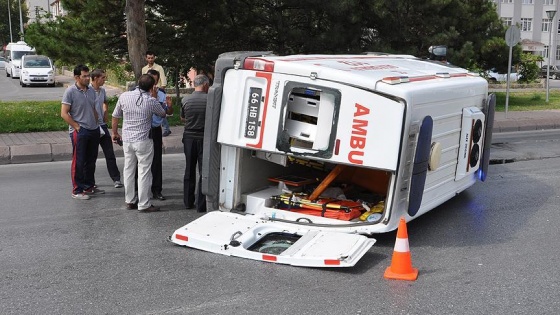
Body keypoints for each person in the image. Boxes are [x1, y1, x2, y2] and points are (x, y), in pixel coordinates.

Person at [111, 74, 173, 212]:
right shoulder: (150, 100)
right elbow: (163, 114)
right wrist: (157, 99)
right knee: (144, 171)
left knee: (129, 170)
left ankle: (130, 200)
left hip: (127, 139)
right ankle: (144, 203)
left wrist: (115, 133)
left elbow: (115, 115)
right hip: (143, 140)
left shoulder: (124, 96)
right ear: (152, 87)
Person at [61, 64, 103, 200]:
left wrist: (98, 125)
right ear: (76, 77)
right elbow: (64, 113)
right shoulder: (70, 92)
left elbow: (94, 109)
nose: (87, 78)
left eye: (88, 75)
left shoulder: (91, 91)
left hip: (93, 129)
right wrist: (77, 127)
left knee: (91, 160)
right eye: (84, 76)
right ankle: (77, 190)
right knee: (79, 161)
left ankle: (89, 186)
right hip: (80, 131)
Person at [181, 74, 209, 212]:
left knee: (189, 170)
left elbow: (182, 118)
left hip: (189, 138)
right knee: (203, 171)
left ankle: (187, 201)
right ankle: (201, 204)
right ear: (205, 85)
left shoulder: (186, 99)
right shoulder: (210, 99)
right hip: (204, 138)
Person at [90, 69, 123, 188]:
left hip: (102, 126)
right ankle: (91, 182)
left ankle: (116, 179)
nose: (104, 80)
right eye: (102, 78)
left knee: (109, 153)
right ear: (95, 78)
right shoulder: (88, 91)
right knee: (91, 156)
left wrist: (105, 113)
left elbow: (105, 102)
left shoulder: (102, 90)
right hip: (92, 127)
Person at [146, 69, 173, 201]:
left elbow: (167, 112)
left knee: (157, 161)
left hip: (156, 129)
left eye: (155, 81)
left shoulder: (161, 93)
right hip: (144, 130)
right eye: (151, 80)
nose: (153, 84)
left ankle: (157, 190)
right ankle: (138, 190)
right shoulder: (140, 93)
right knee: (141, 161)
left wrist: (169, 106)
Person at [141, 50, 171, 137]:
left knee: (161, 109)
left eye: (152, 58)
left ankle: (166, 128)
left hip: (158, 91)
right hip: (148, 92)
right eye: (149, 58)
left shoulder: (159, 67)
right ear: (146, 58)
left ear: (154, 58)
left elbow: (163, 81)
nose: (150, 59)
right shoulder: (144, 69)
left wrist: (159, 91)